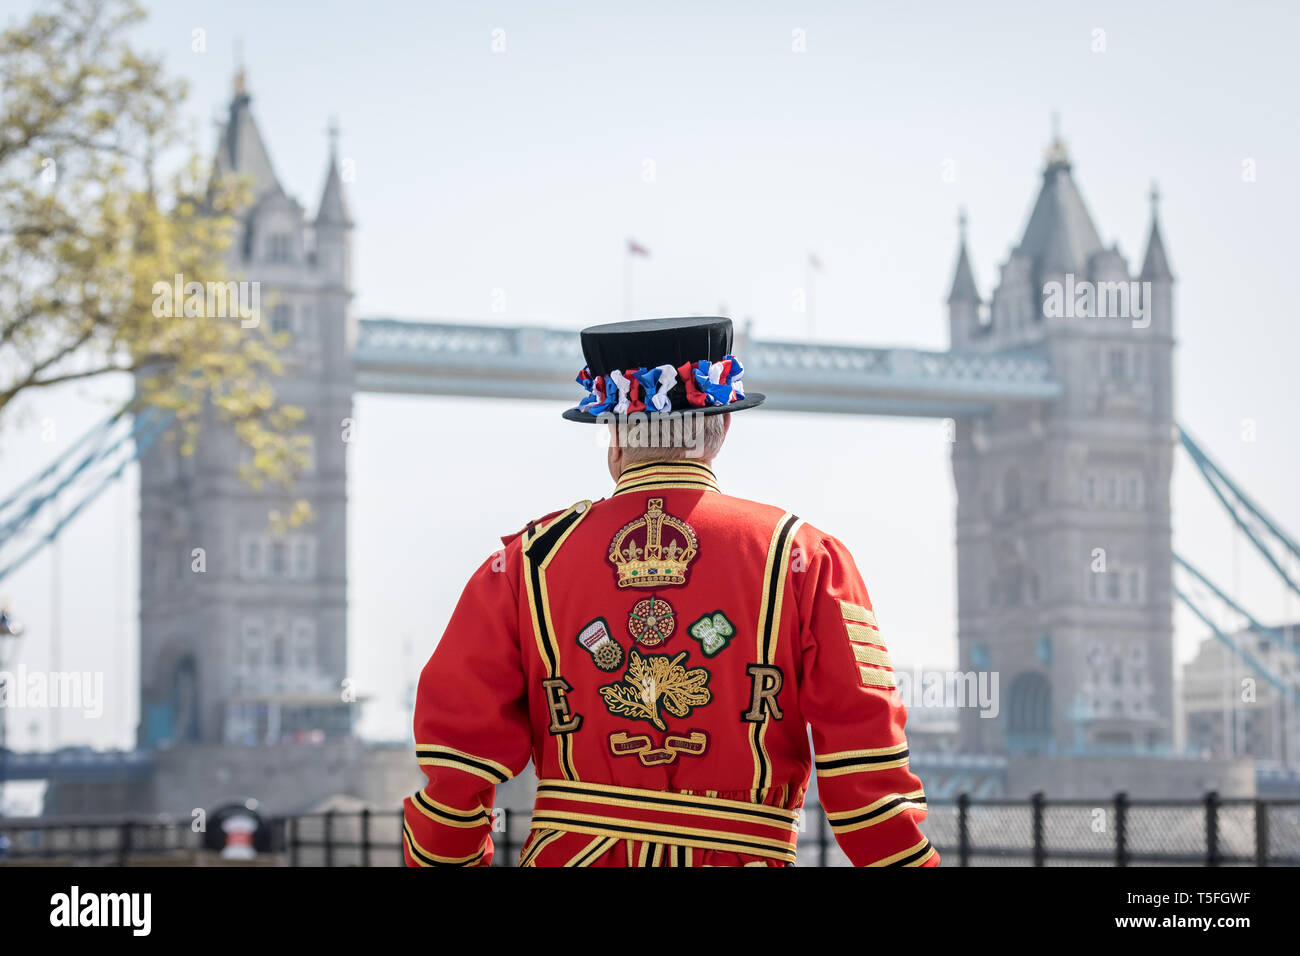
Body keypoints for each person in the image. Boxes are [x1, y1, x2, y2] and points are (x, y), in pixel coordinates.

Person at [402, 316, 936, 867]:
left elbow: (457, 758)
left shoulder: (523, 563)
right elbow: (868, 773)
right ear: (722, 426)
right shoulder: (805, 557)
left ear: (611, 433)